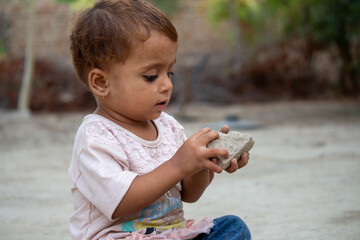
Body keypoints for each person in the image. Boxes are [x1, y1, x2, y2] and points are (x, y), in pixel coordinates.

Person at [68, 0, 251, 239]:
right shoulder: (95, 137)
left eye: (169, 72)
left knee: (233, 227)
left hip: (170, 234)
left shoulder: (169, 126)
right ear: (102, 83)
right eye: (151, 76)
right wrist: (178, 164)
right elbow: (121, 202)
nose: (167, 85)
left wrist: (203, 164)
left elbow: (189, 195)